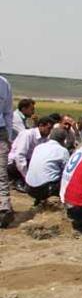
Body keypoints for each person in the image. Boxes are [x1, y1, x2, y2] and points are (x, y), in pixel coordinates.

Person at [8, 116, 55, 192]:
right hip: (14, 163)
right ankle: (19, 181)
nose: (49, 131)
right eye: (48, 128)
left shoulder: (45, 139)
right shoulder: (28, 134)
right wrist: (27, 177)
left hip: (28, 162)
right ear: (41, 126)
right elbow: (19, 156)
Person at [25, 128, 70, 205]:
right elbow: (67, 172)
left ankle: (39, 200)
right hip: (46, 189)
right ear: (63, 140)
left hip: (28, 187)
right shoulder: (63, 151)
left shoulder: (39, 147)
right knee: (66, 177)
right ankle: (59, 202)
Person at [0, 76, 14, 228]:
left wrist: (8, 137)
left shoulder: (4, 84)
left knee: (1, 171)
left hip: (1, 131)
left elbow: (8, 112)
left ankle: (4, 208)